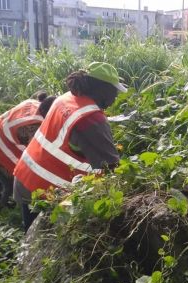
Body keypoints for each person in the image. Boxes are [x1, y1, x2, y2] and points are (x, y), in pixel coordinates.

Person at [13, 62, 127, 231]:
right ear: (102, 89)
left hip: (25, 178)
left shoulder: (67, 98)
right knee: (45, 248)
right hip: (45, 193)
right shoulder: (91, 120)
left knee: (29, 237)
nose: (116, 97)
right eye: (114, 91)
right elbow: (112, 168)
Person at [0, 92, 56, 207]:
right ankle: (1, 208)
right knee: (11, 181)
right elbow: (35, 152)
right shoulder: (33, 125)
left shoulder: (34, 104)